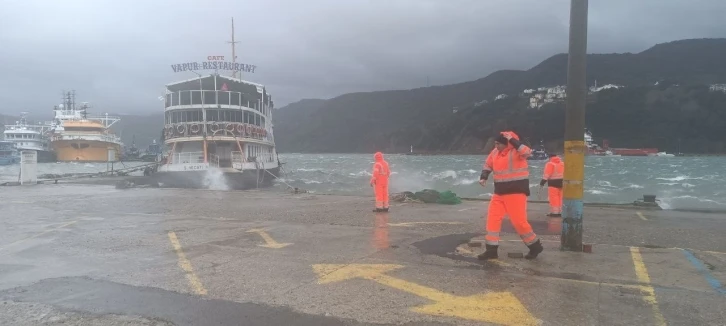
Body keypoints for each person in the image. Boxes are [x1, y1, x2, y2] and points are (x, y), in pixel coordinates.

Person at [478, 131, 543, 260]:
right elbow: (488, 164)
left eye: (499, 144)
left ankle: (535, 246)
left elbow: (528, 152)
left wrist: (513, 140)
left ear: (507, 143)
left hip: (516, 192)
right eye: (495, 143)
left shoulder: (517, 151)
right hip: (499, 193)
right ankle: (491, 250)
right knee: (492, 219)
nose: (496, 146)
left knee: (519, 222)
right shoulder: (495, 152)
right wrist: (484, 176)